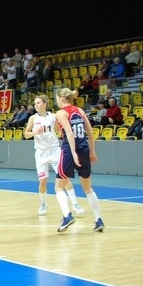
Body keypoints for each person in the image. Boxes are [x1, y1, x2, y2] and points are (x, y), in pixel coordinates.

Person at [23, 95, 85, 216]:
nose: (36, 105)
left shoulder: (53, 117)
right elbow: (26, 134)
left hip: (54, 151)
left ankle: (75, 204)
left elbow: (60, 129)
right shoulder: (33, 118)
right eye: (35, 103)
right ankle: (43, 203)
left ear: (45, 104)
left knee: (65, 179)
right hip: (41, 153)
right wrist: (35, 132)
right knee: (42, 181)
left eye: (38, 103)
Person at [54, 88, 105, 233]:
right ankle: (98, 219)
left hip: (70, 151)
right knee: (88, 188)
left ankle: (67, 216)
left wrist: (73, 153)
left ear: (62, 98)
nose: (57, 101)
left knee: (58, 186)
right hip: (84, 149)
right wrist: (92, 150)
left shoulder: (61, 113)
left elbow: (69, 133)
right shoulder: (79, 110)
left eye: (57, 98)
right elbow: (90, 131)